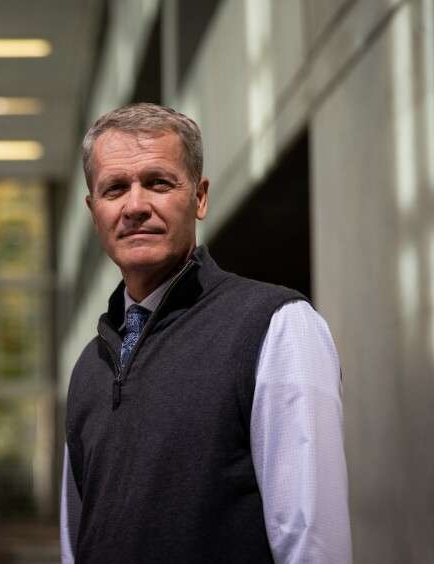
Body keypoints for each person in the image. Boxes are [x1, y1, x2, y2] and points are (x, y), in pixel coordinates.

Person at [60, 103, 351, 563]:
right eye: (114, 188)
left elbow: (313, 543)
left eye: (158, 183)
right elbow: (76, 542)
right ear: (94, 210)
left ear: (199, 197)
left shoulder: (277, 326)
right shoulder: (89, 366)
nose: (135, 206)